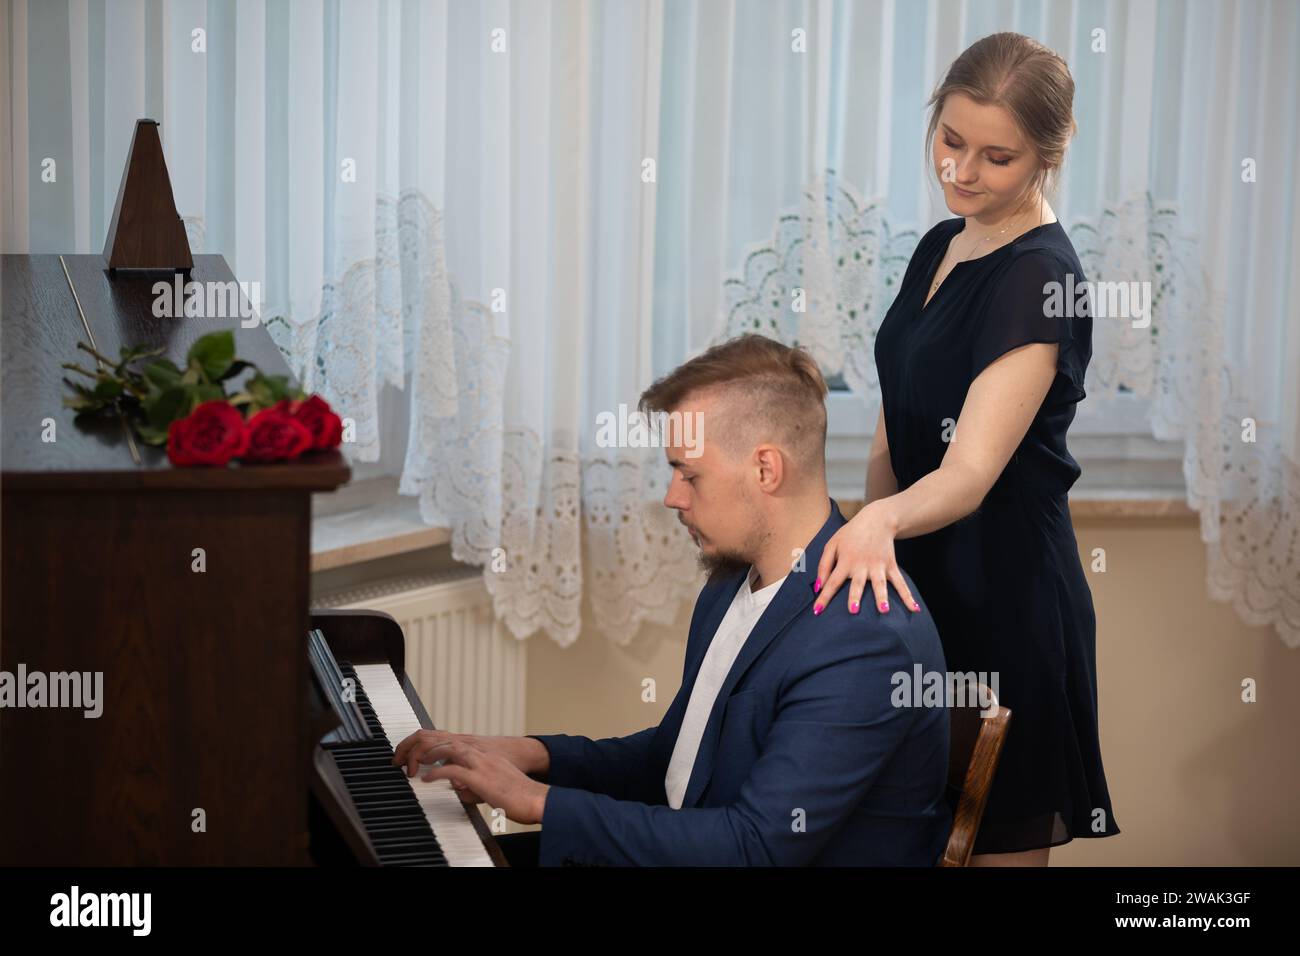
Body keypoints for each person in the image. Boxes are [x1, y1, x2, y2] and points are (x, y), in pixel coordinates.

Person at [392, 334, 953, 866]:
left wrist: (537, 803)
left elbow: (756, 847)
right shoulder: (732, 583)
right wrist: (533, 755)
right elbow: (679, 759)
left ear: (766, 469)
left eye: (690, 474)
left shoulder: (863, 637)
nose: (671, 497)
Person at [812, 32, 1120, 866]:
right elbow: (897, 417)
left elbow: (970, 472)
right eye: (951, 141)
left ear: (1049, 157)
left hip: (1006, 596)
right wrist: (870, 526)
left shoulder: (1038, 277)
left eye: (997, 157)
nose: (962, 171)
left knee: (989, 843)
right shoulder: (941, 245)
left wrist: (879, 528)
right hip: (922, 582)